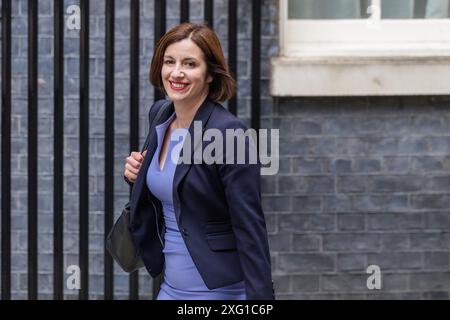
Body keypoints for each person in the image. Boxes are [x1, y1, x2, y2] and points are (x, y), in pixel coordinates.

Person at [123, 22, 274, 300]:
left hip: (221, 293)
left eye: (190, 64)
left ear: (209, 75)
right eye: (170, 61)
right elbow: (170, 187)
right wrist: (136, 173)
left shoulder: (228, 133)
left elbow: (249, 225)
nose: (177, 72)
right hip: (169, 288)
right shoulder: (161, 114)